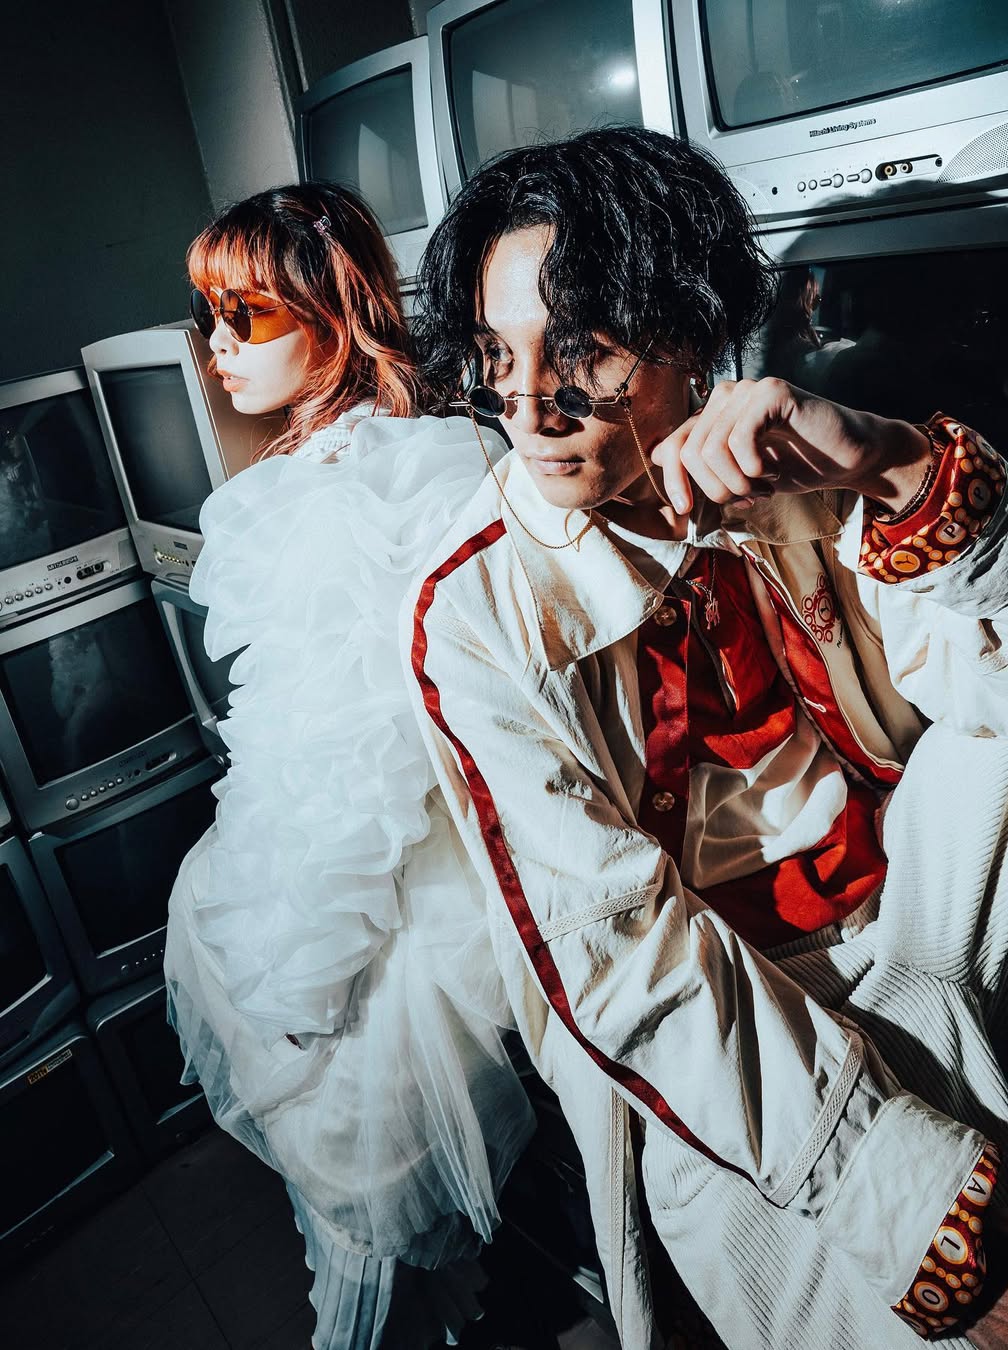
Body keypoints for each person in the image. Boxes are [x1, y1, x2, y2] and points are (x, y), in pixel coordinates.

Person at [407, 126, 1008, 1349]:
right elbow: (632, 970)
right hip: (734, 1013)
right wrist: (955, 1243)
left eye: (581, 348)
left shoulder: (791, 458)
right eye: (498, 357)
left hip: (914, 902)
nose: (531, 408)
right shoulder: (471, 611)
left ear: (691, 333)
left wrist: (896, 468)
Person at [163, 183, 534, 1350]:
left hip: (378, 924)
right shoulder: (406, 458)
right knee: (370, 1231)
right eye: (211, 317)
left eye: (246, 317)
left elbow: (361, 758)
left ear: (330, 312)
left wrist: (300, 983)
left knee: (360, 1228)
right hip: (343, 881)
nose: (217, 348)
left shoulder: (343, 493)